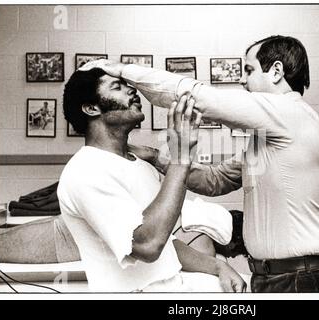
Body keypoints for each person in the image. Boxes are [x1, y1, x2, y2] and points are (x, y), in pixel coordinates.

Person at [81, 35, 319, 293]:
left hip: (304, 279)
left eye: (249, 70)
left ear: (276, 71)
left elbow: (195, 96)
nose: (245, 82)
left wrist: (119, 70)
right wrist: (155, 157)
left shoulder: (291, 113)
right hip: (280, 278)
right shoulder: (269, 136)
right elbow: (215, 180)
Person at [57, 67, 246, 292]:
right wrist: (180, 156)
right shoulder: (86, 171)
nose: (132, 91)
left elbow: (166, 241)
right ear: (91, 108)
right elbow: (148, 244)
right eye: (117, 87)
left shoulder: (139, 164)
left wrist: (217, 267)